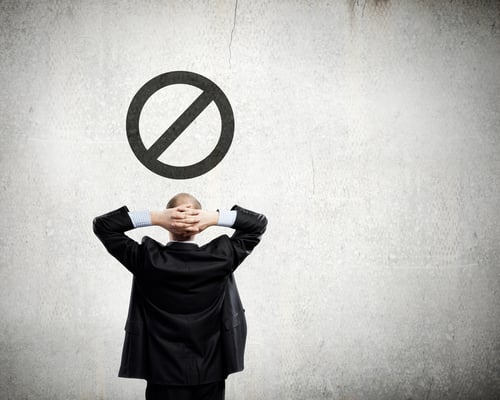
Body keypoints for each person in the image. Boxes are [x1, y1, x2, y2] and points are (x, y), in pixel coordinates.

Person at [93, 193, 267, 400]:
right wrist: (213, 218)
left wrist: (156, 217)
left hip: (162, 373)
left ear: (168, 222)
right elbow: (258, 223)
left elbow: (103, 226)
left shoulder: (146, 260)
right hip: (211, 370)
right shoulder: (222, 257)